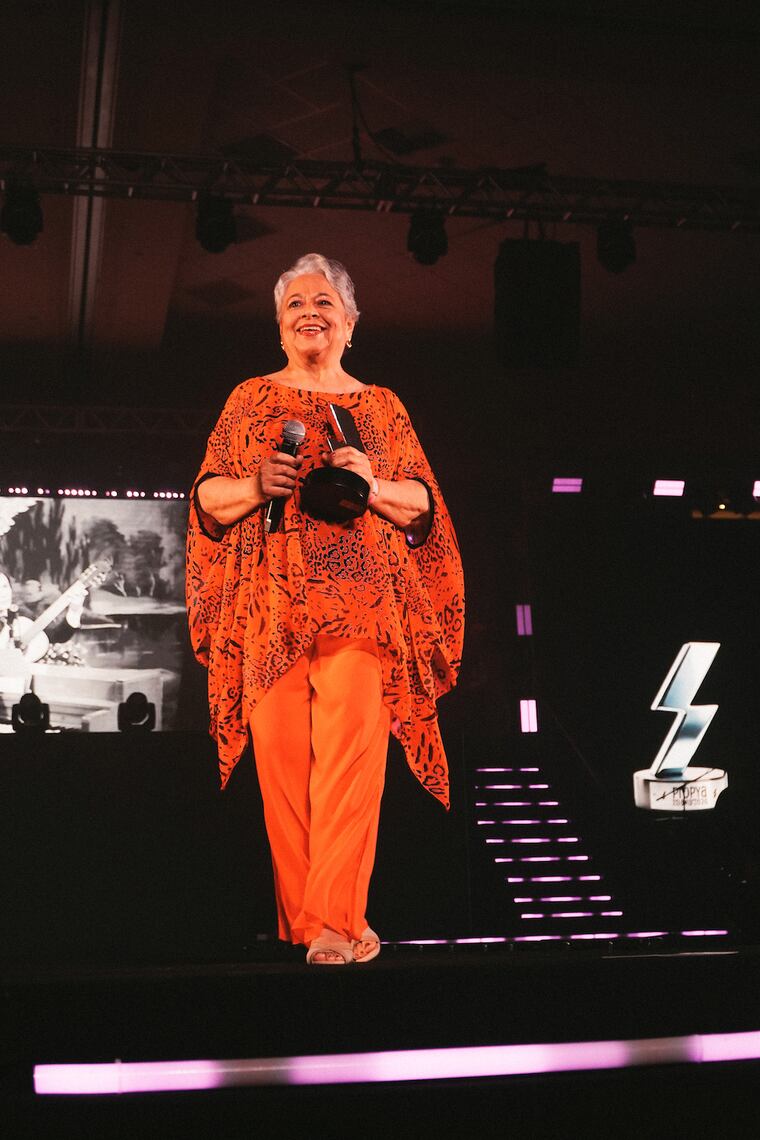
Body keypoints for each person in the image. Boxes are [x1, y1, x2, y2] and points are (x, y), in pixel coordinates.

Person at [187, 253, 464, 965]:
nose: (310, 311)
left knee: (350, 762)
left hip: (362, 602)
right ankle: (313, 926)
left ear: (350, 323)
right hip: (270, 605)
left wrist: (370, 486)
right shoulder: (249, 400)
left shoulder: (381, 407)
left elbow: (425, 507)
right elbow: (206, 500)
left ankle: (337, 920)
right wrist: (257, 482)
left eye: (324, 302)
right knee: (282, 771)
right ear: (280, 327)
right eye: (295, 304)